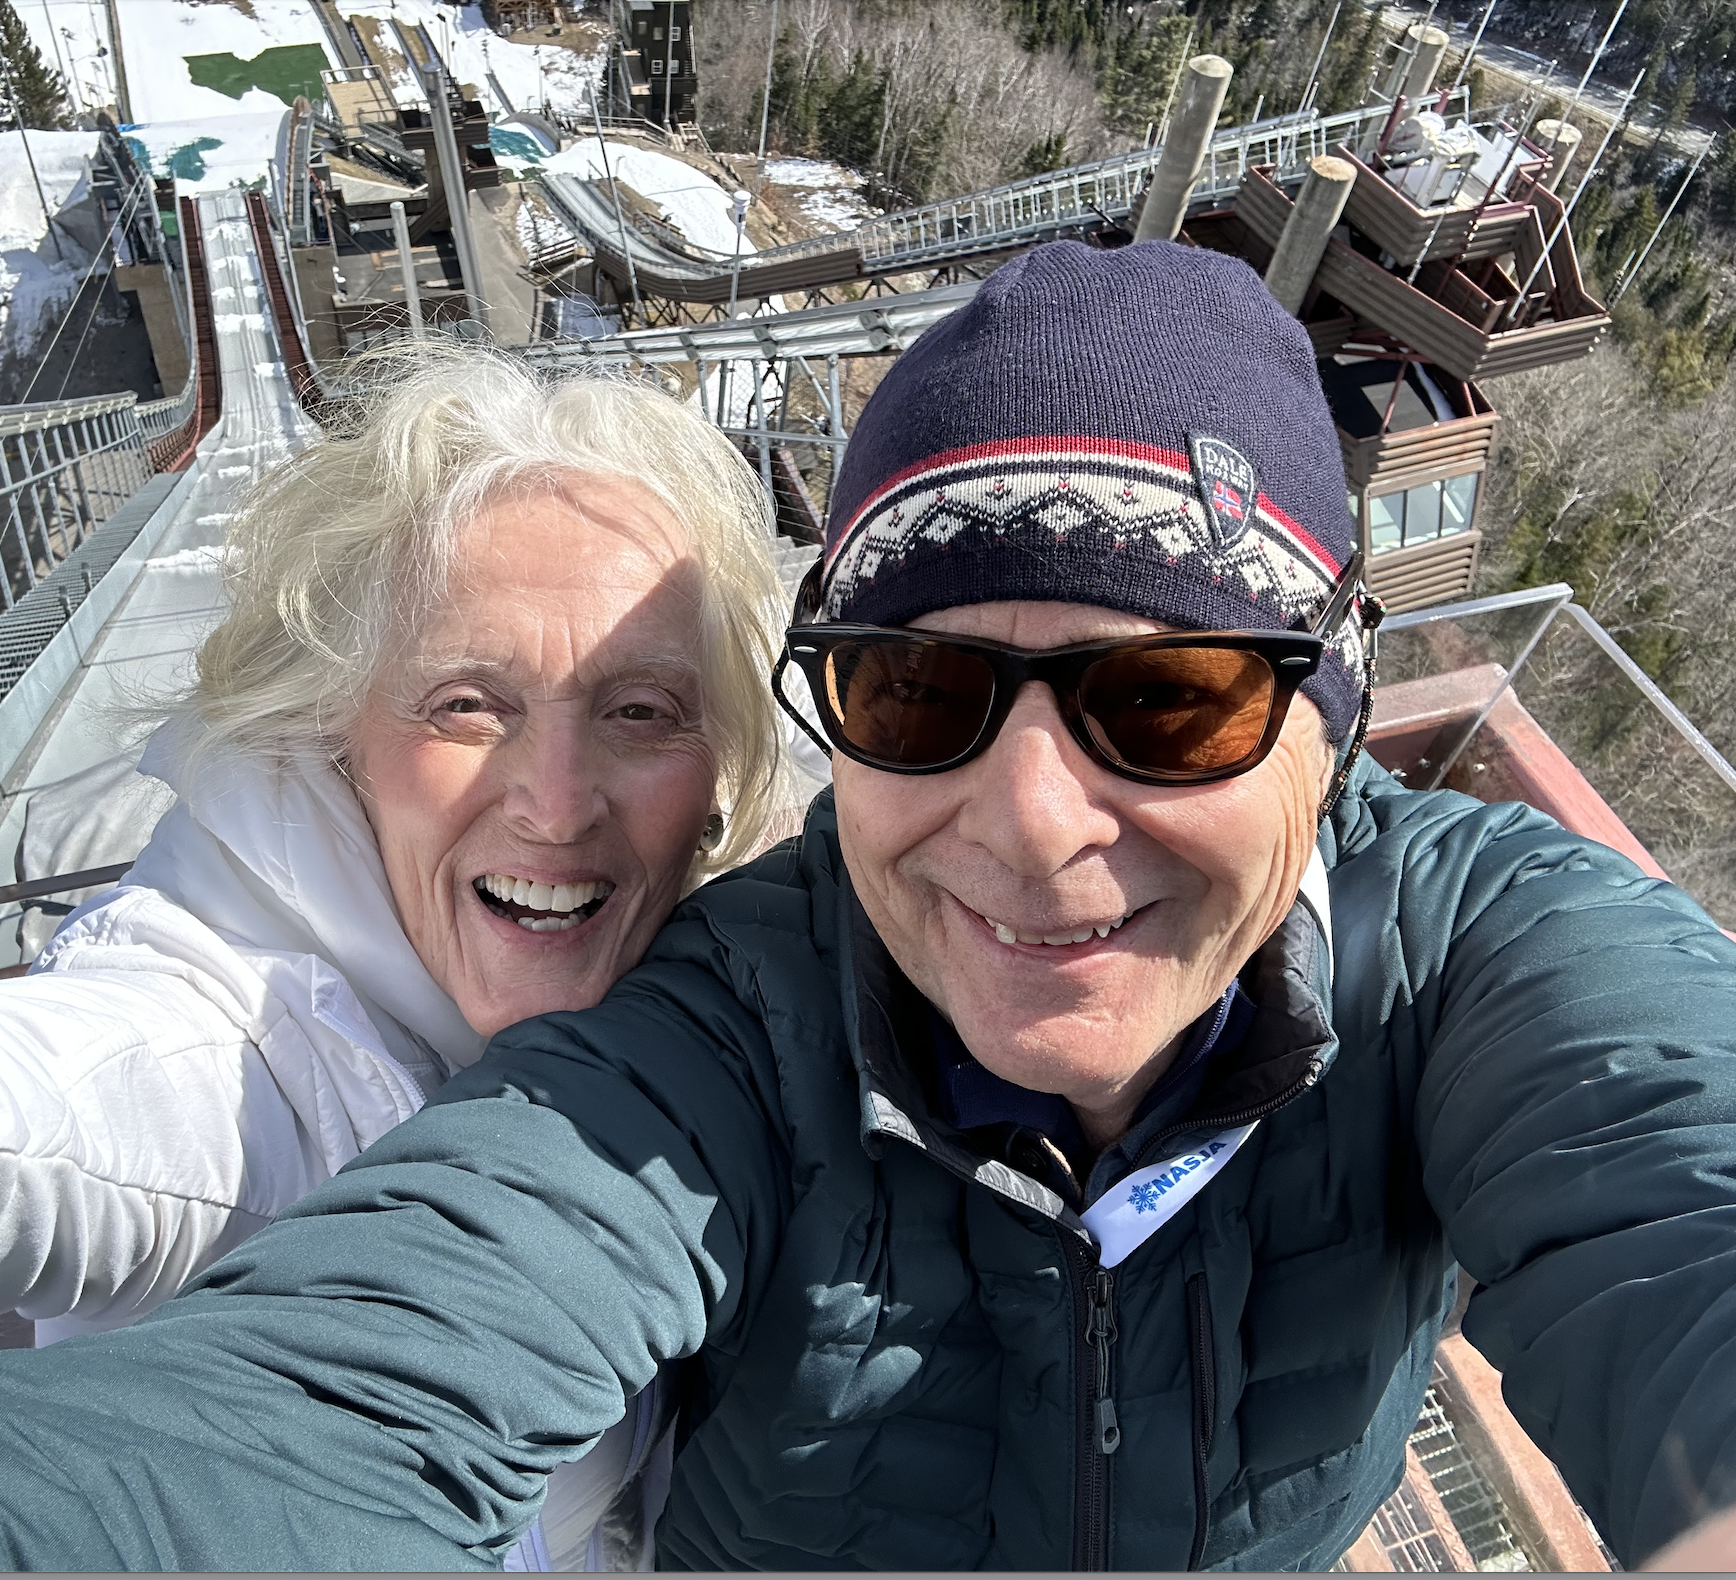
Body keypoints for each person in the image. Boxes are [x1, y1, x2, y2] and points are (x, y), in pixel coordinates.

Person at [4, 239, 1736, 1572]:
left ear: (1328, 718)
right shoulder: (730, 1017)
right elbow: (340, 1389)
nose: (1034, 824)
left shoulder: (1477, 959)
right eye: (919, 695)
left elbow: (1680, 1193)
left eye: (1168, 698)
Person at [0, 343, 787, 1570]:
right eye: (467, 703)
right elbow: (69, 1113)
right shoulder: (232, 1033)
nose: (556, 803)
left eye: (638, 711)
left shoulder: (722, 1011)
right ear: (338, 734)